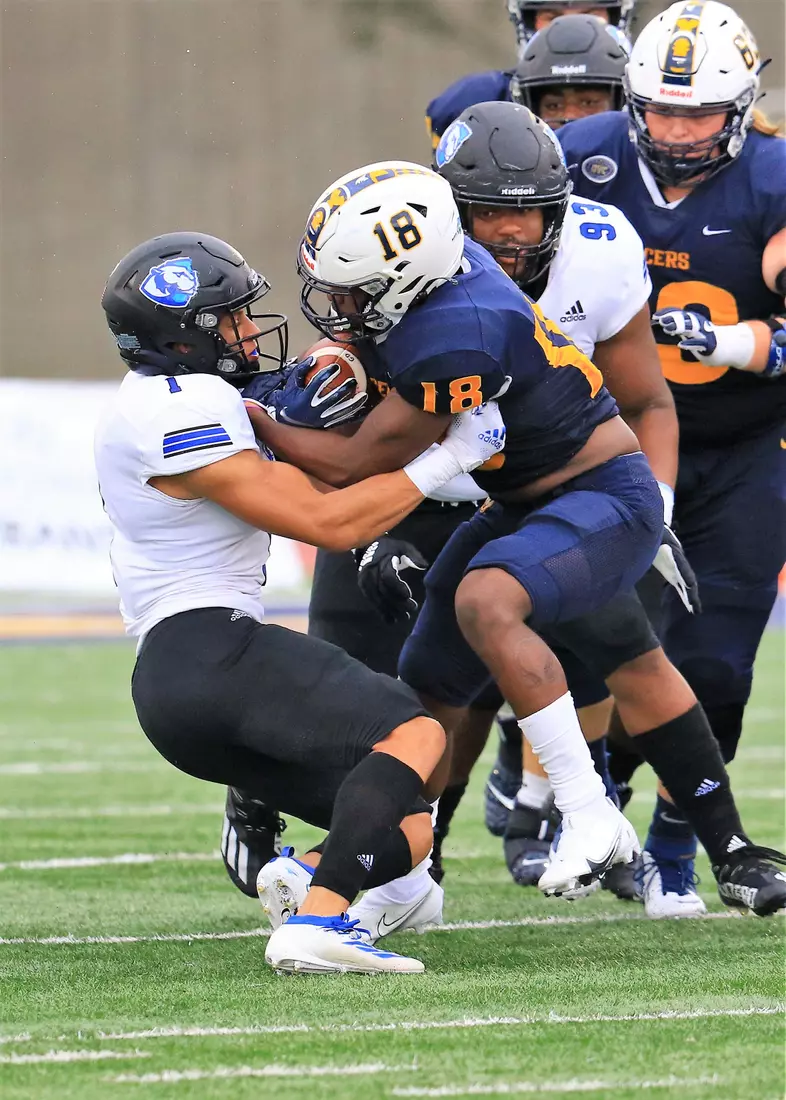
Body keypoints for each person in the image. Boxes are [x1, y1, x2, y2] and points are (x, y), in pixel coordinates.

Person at [247, 160, 786, 931]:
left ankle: (589, 813)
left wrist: (244, 414)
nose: (340, 306)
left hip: (602, 496)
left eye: (354, 289)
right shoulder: (441, 279)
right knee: (424, 690)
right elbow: (367, 373)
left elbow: (357, 460)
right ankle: (394, 872)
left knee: (489, 599)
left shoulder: (455, 327)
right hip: (523, 503)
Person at [95, 230, 505, 975]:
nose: (249, 330)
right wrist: (452, 455)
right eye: (230, 320)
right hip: (206, 651)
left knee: (410, 821)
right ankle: (318, 923)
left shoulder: (180, 397)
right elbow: (322, 520)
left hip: (184, 688)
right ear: (182, 338)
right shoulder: (173, 408)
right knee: (418, 734)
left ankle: (314, 876)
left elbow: (306, 484)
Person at [557, 0, 786, 918]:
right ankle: (580, 798)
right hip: (603, 439)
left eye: (698, 114)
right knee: (592, 638)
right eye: (660, 110)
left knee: (719, 661)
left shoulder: (774, 181)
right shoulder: (581, 159)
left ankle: (678, 841)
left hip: (739, 446)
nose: (677, 131)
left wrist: (735, 345)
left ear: (740, 108)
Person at [431, 101, 684, 898]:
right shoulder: (413, 262)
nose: (512, 231)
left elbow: (647, 402)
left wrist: (658, 515)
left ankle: (580, 805)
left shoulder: (597, 251)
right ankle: (396, 850)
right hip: (424, 482)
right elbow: (377, 431)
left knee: (586, 642)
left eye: (529, 210)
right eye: (489, 213)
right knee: (395, 679)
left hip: (544, 490)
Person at [425, 3, 635, 148]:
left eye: (589, 14)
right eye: (552, 17)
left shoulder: (649, 101)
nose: (571, 28)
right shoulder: (477, 99)